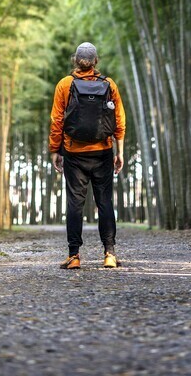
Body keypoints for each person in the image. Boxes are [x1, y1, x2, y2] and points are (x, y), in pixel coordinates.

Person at [49, 41, 126, 269]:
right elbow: (119, 120)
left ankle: (74, 256)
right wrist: (119, 150)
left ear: (75, 60)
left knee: (75, 204)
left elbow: (57, 122)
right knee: (105, 203)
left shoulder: (64, 85)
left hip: (74, 152)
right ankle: (109, 254)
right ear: (96, 61)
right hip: (102, 152)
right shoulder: (109, 84)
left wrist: (55, 150)